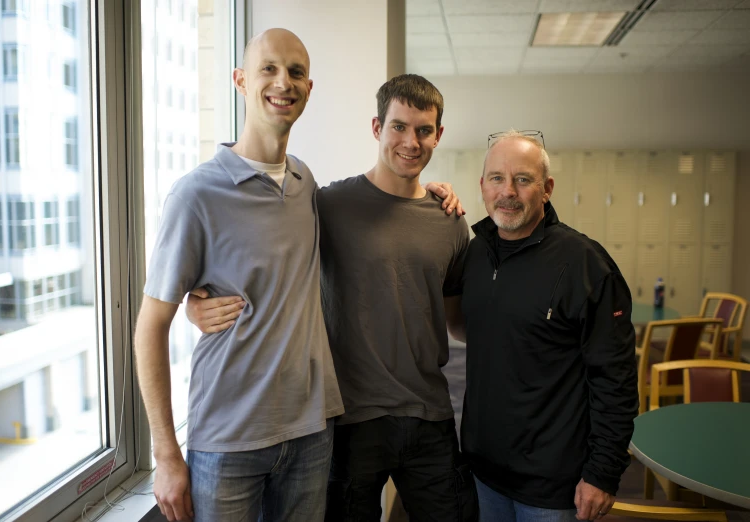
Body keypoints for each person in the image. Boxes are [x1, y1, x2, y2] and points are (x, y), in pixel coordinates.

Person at [187, 74, 478, 521]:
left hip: (430, 415)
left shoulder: (450, 221)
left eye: (423, 130)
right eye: (399, 126)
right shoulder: (328, 204)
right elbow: (261, 250)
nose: (411, 141)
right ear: (377, 128)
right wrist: (194, 299)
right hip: (350, 420)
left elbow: (458, 321)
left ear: (438, 135)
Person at [134, 28, 343, 522]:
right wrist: (166, 456)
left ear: (308, 89)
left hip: (311, 431)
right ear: (240, 81)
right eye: (268, 68)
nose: (283, 82)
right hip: (226, 443)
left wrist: (427, 191)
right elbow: (149, 327)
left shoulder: (303, 182)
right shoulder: (195, 195)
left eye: (295, 72)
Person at [448, 130, 638, 522]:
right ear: (482, 186)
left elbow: (615, 379)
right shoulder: (476, 253)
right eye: (497, 178)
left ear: (546, 188)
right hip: (483, 473)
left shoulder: (585, 264)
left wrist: (602, 473)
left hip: (553, 485)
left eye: (523, 179)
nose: (508, 192)